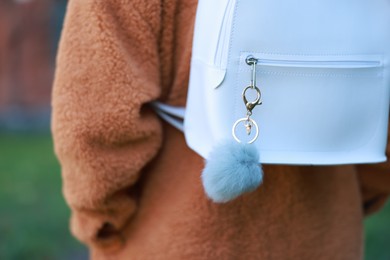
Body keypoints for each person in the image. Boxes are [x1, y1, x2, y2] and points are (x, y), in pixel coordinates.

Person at [52, 0, 390, 259]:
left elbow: (96, 114)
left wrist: (102, 221)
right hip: (328, 230)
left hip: (174, 235)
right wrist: (359, 192)